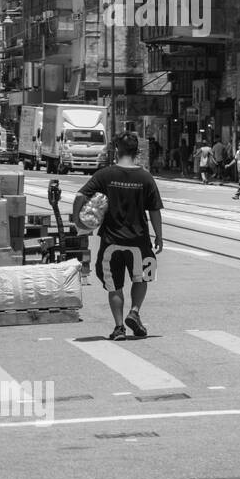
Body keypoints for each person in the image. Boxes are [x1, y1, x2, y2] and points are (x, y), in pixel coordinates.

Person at [73, 133, 163, 342]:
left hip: (111, 242)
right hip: (139, 241)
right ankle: (135, 311)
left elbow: (79, 196)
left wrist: (78, 220)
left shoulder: (105, 174)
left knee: (114, 286)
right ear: (137, 152)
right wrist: (159, 236)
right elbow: (155, 210)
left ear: (116, 150)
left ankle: (119, 327)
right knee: (143, 277)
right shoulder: (145, 177)